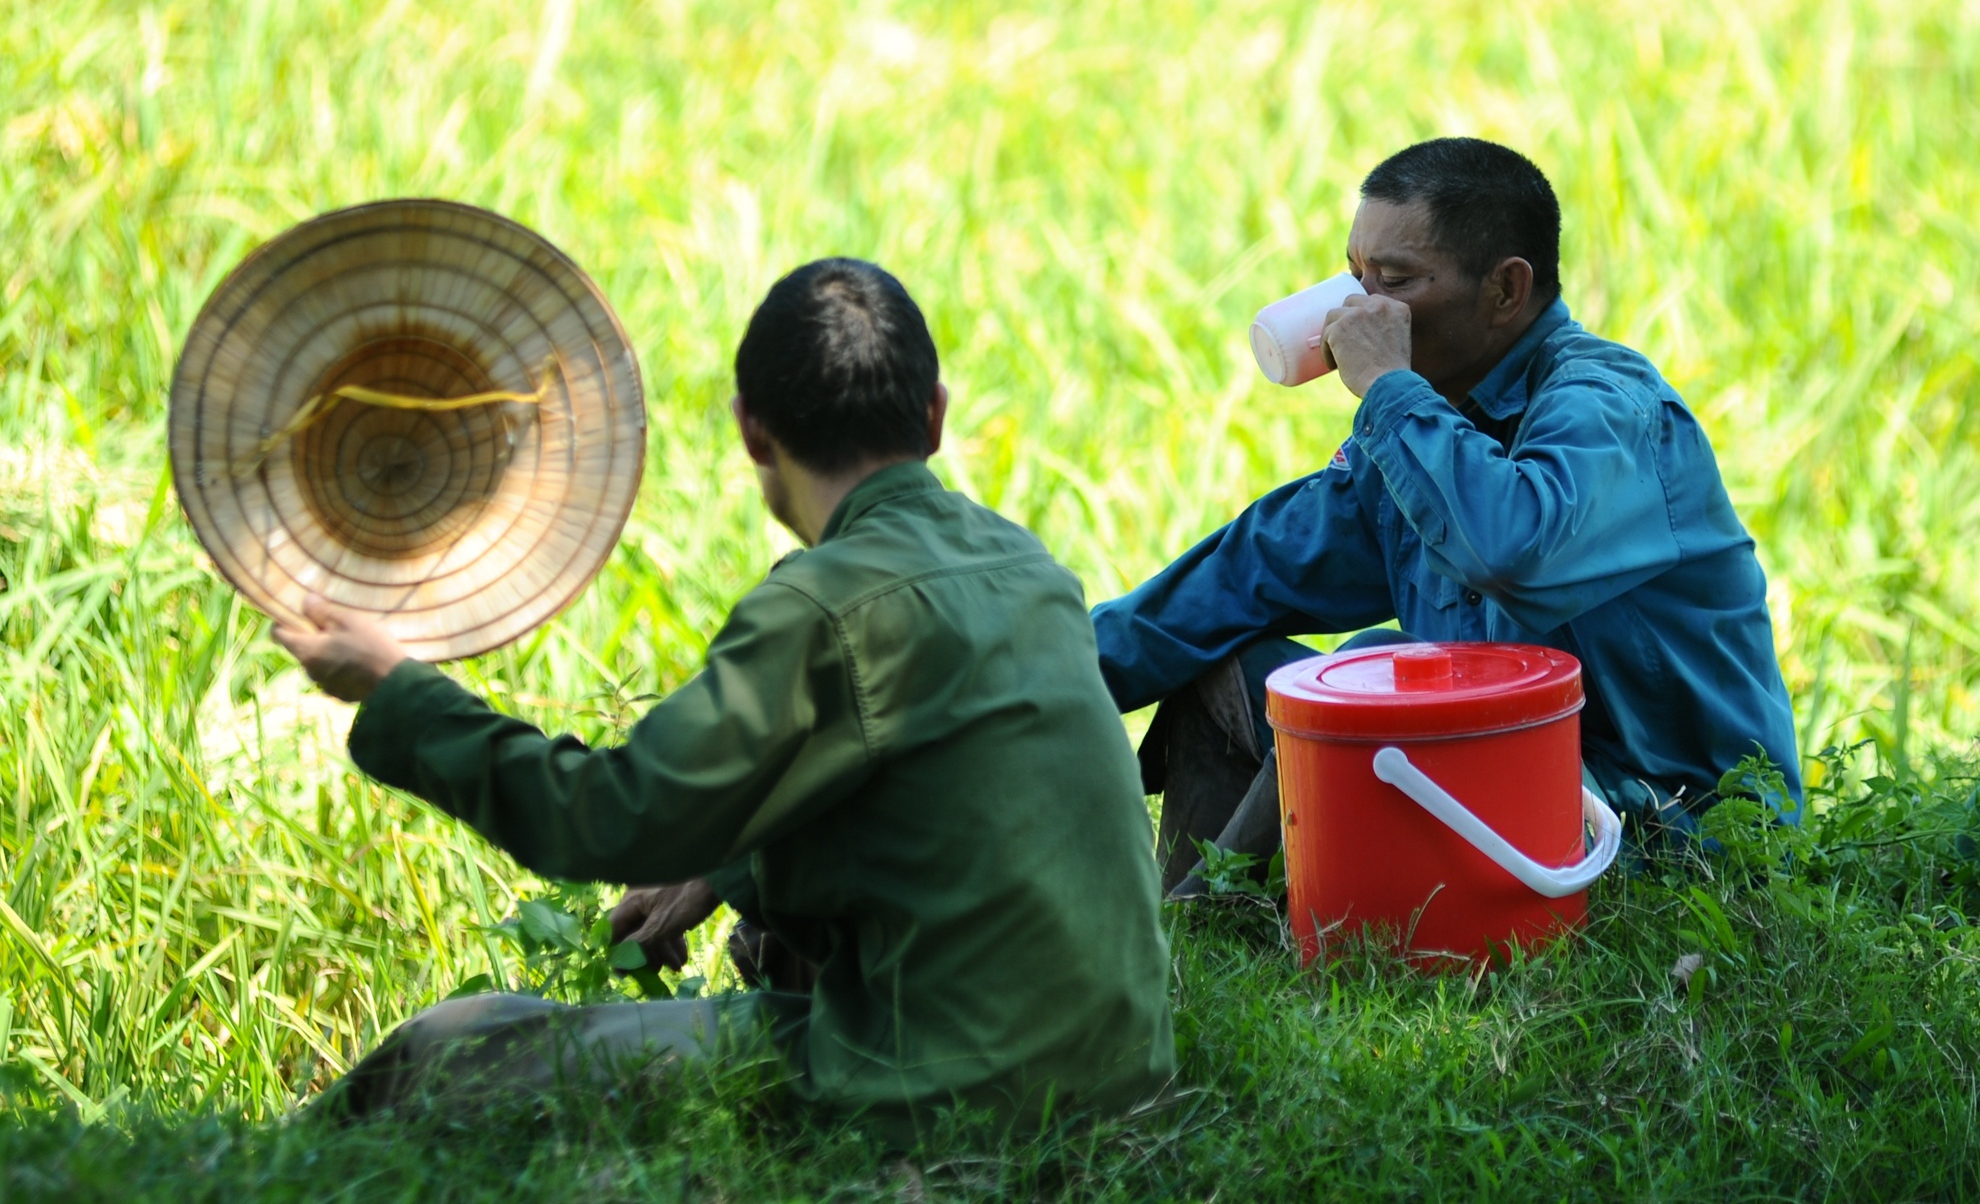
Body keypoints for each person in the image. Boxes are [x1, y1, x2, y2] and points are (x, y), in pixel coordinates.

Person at [273, 257, 1176, 1141]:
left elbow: (601, 817)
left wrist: (399, 692)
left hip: (951, 1092)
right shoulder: (1030, 568)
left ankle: (250, 1164)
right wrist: (720, 868)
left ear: (751, 432)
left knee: (451, 1044)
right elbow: (931, 804)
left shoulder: (820, 606)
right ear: (934, 415)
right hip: (1122, 1071)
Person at [1092, 138, 1800, 896]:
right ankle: (1203, 934)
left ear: (1505, 290)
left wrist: (1389, 389)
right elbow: (1241, 577)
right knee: (1223, 658)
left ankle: (1197, 920)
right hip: (1480, 783)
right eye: (1354, 274)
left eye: (1393, 281)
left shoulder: (1608, 410)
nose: (1356, 310)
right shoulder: (1422, 435)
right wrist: (1036, 679)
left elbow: (1510, 549)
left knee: (1379, 670)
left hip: (1665, 832)